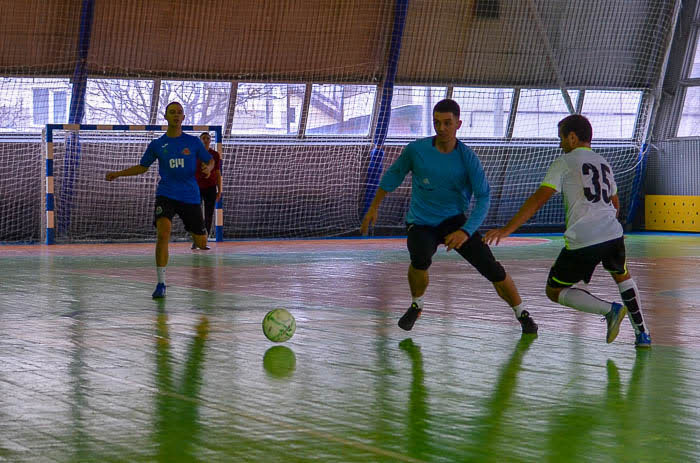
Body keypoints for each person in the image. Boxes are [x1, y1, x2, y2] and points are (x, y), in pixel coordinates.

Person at [361, 98, 537, 334]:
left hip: (454, 220)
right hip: (421, 221)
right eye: (437, 123)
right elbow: (393, 176)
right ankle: (417, 304)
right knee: (420, 257)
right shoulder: (416, 150)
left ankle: (522, 313)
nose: (441, 128)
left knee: (491, 268)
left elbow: (484, 197)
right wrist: (373, 207)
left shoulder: (467, 158)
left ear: (458, 124)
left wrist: (465, 231)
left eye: (447, 123)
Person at [484, 114, 651, 348]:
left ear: (572, 137)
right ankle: (643, 334)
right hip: (613, 234)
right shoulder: (603, 162)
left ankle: (610, 310)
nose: (560, 143)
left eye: (561, 138)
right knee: (622, 276)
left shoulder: (564, 162)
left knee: (554, 290)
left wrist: (507, 229)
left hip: (584, 239)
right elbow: (615, 204)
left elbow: (538, 199)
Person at [105, 101, 214, 299]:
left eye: (179, 112)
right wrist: (118, 173)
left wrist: (209, 167)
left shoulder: (193, 142)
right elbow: (142, 167)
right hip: (166, 194)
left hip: (190, 196)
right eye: (172, 112)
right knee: (163, 233)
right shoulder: (157, 144)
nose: (175, 115)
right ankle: (161, 283)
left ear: (183, 117)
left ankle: (194, 231)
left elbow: (210, 160)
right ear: (165, 117)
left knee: (201, 242)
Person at [191, 131, 223, 250]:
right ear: (200, 140)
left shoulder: (214, 154)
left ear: (210, 140)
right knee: (196, 215)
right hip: (196, 188)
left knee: (209, 215)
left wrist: (219, 190)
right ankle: (196, 240)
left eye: (208, 138)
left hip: (210, 187)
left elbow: (218, 173)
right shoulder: (194, 154)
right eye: (203, 138)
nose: (205, 140)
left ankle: (204, 240)